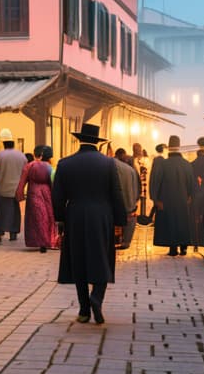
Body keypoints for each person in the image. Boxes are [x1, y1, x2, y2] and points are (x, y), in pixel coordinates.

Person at [53, 124, 126, 324]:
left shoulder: (65, 164)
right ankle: (97, 297)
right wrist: (120, 221)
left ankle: (84, 309)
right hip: (102, 215)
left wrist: (60, 219)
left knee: (79, 260)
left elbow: (58, 196)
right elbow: (117, 194)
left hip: (75, 215)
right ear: (98, 142)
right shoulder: (108, 164)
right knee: (102, 256)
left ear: (79, 140)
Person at [150, 135, 194, 256]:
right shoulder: (187, 164)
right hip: (182, 199)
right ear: (179, 147)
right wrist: (190, 196)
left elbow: (155, 182)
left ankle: (173, 248)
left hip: (166, 199)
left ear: (168, 148)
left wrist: (155, 199)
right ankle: (184, 247)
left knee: (170, 223)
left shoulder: (163, 164)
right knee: (182, 222)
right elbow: (192, 184)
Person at [17, 145, 59, 252]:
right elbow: (54, 183)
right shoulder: (50, 168)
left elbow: (22, 181)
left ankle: (39, 241)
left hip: (33, 192)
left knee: (36, 217)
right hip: (47, 192)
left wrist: (19, 194)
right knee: (48, 216)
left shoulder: (30, 166)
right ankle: (49, 240)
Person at [0, 129, 28, 243]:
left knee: (1, 210)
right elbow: (25, 170)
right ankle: (13, 233)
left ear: (3, 144)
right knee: (15, 211)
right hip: (16, 187)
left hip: (2, 186)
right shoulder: (21, 155)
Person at [112, 148, 140, 250]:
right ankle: (125, 242)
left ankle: (116, 240)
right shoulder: (131, 169)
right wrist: (135, 199)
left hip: (115, 202)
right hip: (128, 201)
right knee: (129, 219)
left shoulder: (109, 165)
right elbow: (137, 185)